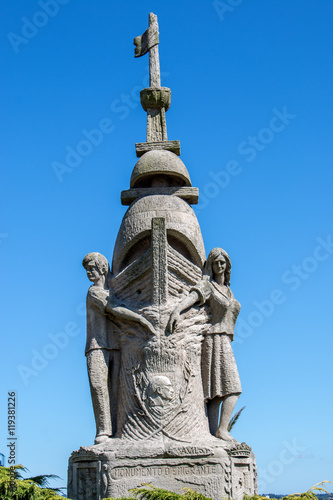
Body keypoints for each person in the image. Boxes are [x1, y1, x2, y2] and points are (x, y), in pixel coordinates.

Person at [167, 247, 241, 441]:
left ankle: (216, 432)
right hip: (213, 339)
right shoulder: (208, 285)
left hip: (225, 339)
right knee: (231, 388)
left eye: (222, 262)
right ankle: (220, 430)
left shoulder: (229, 290)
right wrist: (176, 310)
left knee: (220, 389)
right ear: (211, 265)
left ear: (227, 265)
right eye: (215, 262)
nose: (219, 265)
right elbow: (193, 297)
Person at [83, 252, 155, 444]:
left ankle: (118, 430)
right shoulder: (94, 292)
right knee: (98, 386)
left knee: (117, 390)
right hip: (97, 346)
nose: (89, 272)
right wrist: (141, 318)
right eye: (87, 269)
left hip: (116, 346)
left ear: (103, 268)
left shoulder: (114, 292)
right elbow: (114, 309)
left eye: (92, 268)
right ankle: (103, 431)